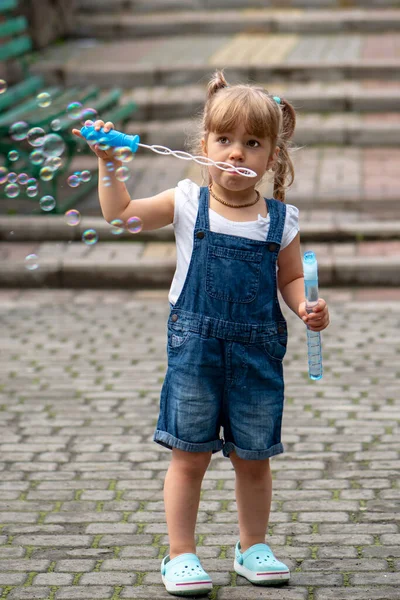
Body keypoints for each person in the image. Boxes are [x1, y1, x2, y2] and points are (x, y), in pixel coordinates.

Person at [73, 69, 330, 597]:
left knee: (254, 460)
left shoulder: (280, 220)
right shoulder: (187, 201)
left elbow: (291, 276)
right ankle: (181, 554)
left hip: (257, 356)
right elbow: (121, 215)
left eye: (252, 143)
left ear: (272, 158)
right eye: (225, 140)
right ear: (204, 144)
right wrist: (109, 168)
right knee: (188, 457)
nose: (237, 154)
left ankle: (251, 546)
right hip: (195, 351)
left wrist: (306, 306)